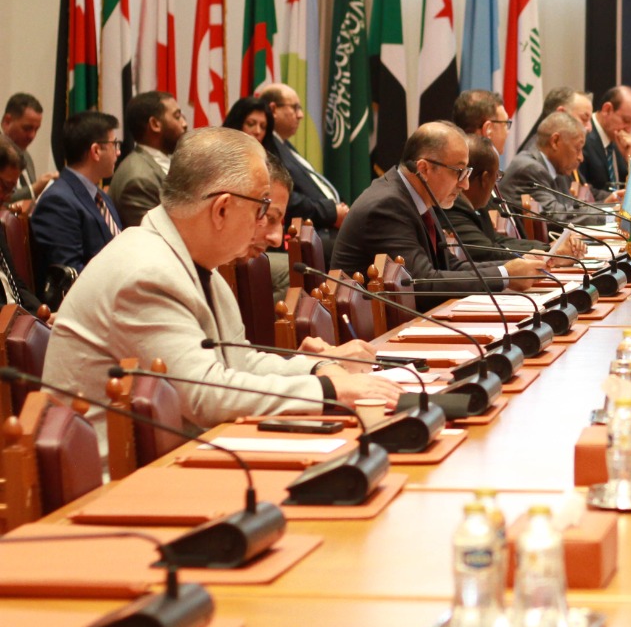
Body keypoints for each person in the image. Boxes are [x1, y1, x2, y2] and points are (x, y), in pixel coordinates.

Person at [41, 127, 400, 448]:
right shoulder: (146, 273)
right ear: (222, 209)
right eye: (261, 210)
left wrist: (317, 369)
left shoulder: (191, 262)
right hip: (122, 484)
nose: (269, 233)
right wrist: (329, 390)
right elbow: (207, 395)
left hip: (179, 455)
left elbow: (239, 362)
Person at [330, 121, 560, 309]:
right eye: (459, 172)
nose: (465, 185)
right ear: (424, 169)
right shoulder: (386, 207)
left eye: (467, 172)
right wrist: (505, 275)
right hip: (377, 339)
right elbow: (422, 284)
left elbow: (449, 266)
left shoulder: (417, 196)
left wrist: (516, 265)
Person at [443, 134, 583, 262]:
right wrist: (552, 253)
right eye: (497, 176)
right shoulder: (454, 207)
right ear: (485, 179)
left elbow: (497, 241)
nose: (465, 184)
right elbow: (487, 252)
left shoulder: (474, 205)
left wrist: (549, 248)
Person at [31, 110, 122, 276]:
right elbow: (69, 274)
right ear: (96, 151)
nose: (118, 152)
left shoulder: (101, 197)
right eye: (114, 144)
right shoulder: (57, 202)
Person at [257, 83, 348, 241]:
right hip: (309, 231)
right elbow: (287, 198)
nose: (300, 115)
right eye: (294, 107)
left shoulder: (284, 144)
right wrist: (330, 212)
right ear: (273, 109)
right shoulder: (267, 146)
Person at [503, 111, 612, 227]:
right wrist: (610, 217)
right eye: (577, 148)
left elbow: (574, 207)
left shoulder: (558, 168)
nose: (581, 158)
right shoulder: (529, 169)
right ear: (555, 141)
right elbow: (557, 215)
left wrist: (613, 209)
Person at [109, 91, 187, 228]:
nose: (184, 123)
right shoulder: (139, 180)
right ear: (155, 124)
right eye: (177, 116)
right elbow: (156, 235)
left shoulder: (165, 160)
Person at [0, 137, 44, 316]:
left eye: (11, 190)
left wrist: (41, 315)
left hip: (17, 319)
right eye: (5, 186)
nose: (6, 197)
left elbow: (15, 282)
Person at [578, 86, 631, 194]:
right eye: (626, 120)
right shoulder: (583, 136)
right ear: (607, 110)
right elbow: (581, 189)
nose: (629, 129)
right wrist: (612, 198)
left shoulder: (618, 140)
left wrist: (630, 159)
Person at [2, 93, 55, 209]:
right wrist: (33, 189)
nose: (32, 136)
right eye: (27, 128)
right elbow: (3, 199)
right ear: (7, 121)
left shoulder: (26, 157)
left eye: (36, 129)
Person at [452, 89, 511, 157]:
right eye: (505, 123)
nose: (508, 132)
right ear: (488, 130)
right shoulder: (484, 164)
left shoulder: (450, 160)